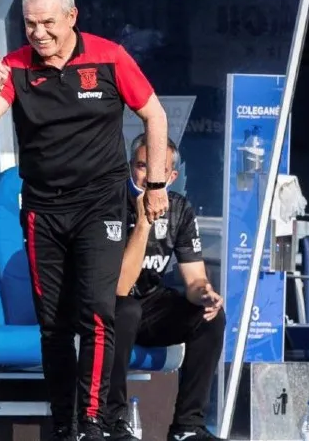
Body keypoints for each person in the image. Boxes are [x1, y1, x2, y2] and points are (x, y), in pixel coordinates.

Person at [0, 0, 170, 441]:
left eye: (47, 23)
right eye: (30, 24)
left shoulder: (109, 57)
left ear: (71, 17)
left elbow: (154, 114)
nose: (38, 33)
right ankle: (65, 425)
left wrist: (156, 184)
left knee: (98, 310)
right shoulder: (15, 65)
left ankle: (94, 421)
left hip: (99, 204)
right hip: (43, 208)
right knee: (53, 324)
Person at [105, 134, 225, 441]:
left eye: (159, 170)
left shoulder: (179, 209)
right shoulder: (111, 203)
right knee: (126, 309)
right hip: (107, 305)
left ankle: (187, 426)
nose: (150, 177)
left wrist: (205, 294)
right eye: (142, 166)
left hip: (148, 303)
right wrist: (144, 219)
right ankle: (111, 422)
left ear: (171, 177)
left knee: (209, 317)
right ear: (130, 167)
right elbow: (119, 286)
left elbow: (195, 279)